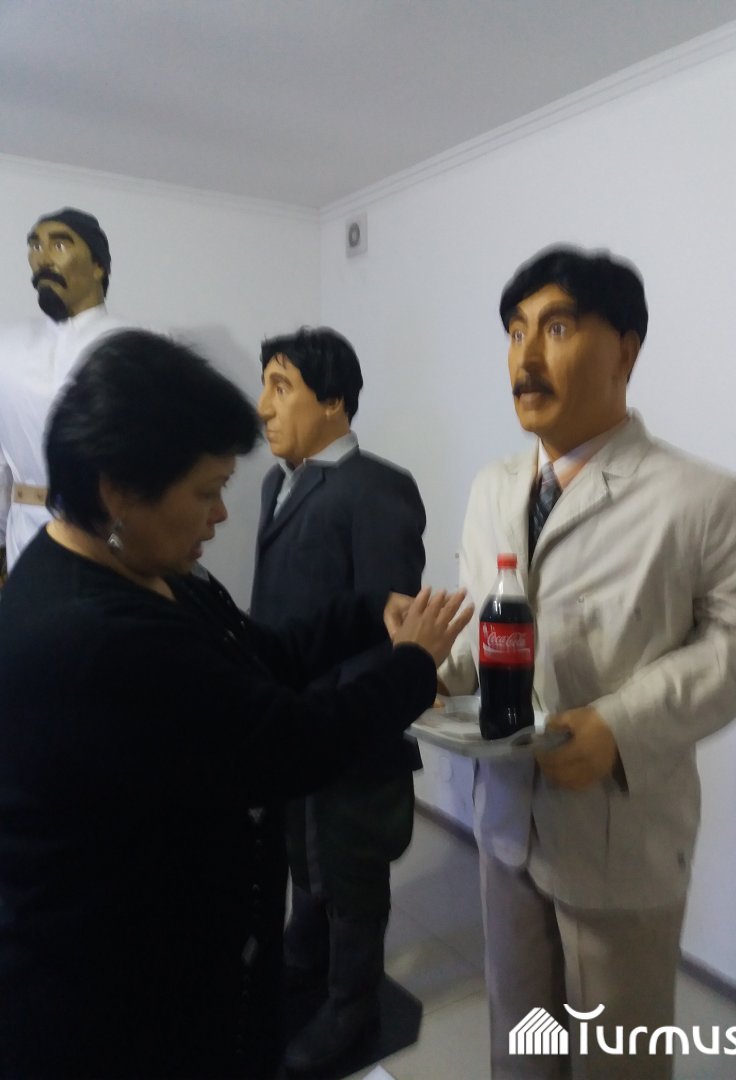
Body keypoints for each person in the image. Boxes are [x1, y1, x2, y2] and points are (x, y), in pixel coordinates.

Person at [0, 329, 472, 1080]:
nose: (220, 514)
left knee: (346, 879)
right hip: (118, 1008)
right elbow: (285, 744)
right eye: (204, 492)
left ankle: (344, 1000)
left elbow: (258, 651)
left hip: (190, 966)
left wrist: (367, 616)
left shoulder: (145, 569)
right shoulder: (90, 633)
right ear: (119, 490)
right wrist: (415, 665)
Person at [438, 245, 736, 1080]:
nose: (525, 356)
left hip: (619, 836)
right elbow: (485, 628)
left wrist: (619, 725)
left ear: (625, 350)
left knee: (616, 1055)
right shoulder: (493, 488)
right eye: (515, 331)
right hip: (505, 823)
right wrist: (431, 662)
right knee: (521, 1041)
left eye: (557, 328)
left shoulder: (705, 499)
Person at [251, 326, 426, 1074]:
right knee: (300, 847)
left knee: (350, 863)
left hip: (348, 725)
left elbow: (386, 622)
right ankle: (305, 954)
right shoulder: (277, 484)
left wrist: (358, 722)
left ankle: (353, 1001)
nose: (264, 406)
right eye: (265, 385)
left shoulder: (376, 489)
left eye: (281, 387)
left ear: (333, 401)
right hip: (290, 713)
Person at [0, 207, 127, 583]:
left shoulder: (135, 345)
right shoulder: (7, 348)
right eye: (35, 246)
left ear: (98, 266)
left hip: (105, 534)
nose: (42, 258)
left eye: (59, 245)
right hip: (23, 533)